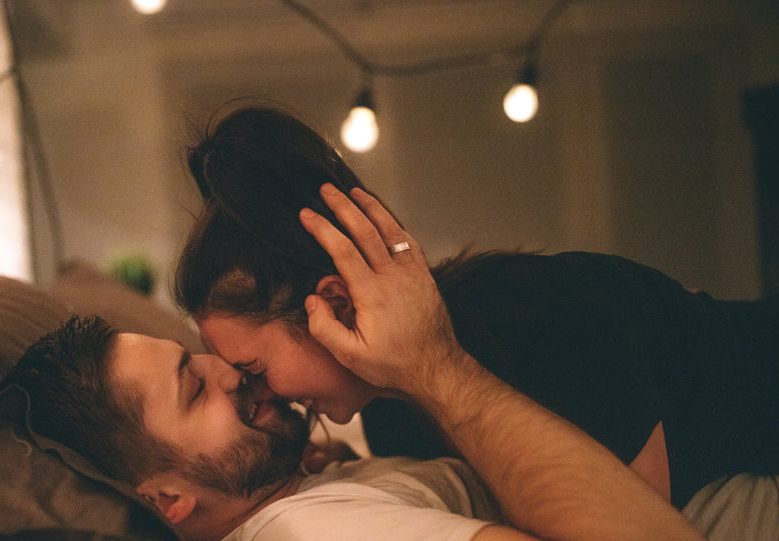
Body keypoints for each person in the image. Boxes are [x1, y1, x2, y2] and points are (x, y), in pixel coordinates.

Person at [0, 189, 746, 541]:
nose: (236, 380)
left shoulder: (352, 448)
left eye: (228, 363)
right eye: (199, 386)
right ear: (165, 500)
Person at [175, 103, 779, 510]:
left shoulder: (541, 323)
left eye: (255, 372)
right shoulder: (391, 414)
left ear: (335, 303)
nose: (262, 400)